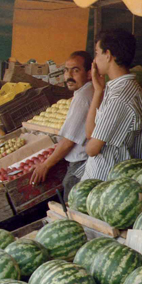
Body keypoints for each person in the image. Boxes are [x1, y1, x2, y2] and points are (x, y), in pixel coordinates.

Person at [79, 29, 142, 181]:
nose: (94, 60)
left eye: (97, 53)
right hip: (107, 183)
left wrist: (90, 144)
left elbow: (92, 149)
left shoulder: (121, 98)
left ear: (108, 55)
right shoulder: (118, 90)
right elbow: (90, 133)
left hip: (108, 185)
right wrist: (98, 91)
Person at [30, 51, 94, 200]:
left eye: (76, 70)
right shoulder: (84, 93)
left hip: (80, 165)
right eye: (66, 70)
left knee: (72, 206)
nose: (69, 75)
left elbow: (68, 142)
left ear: (89, 73)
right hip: (82, 162)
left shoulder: (84, 98)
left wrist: (45, 165)